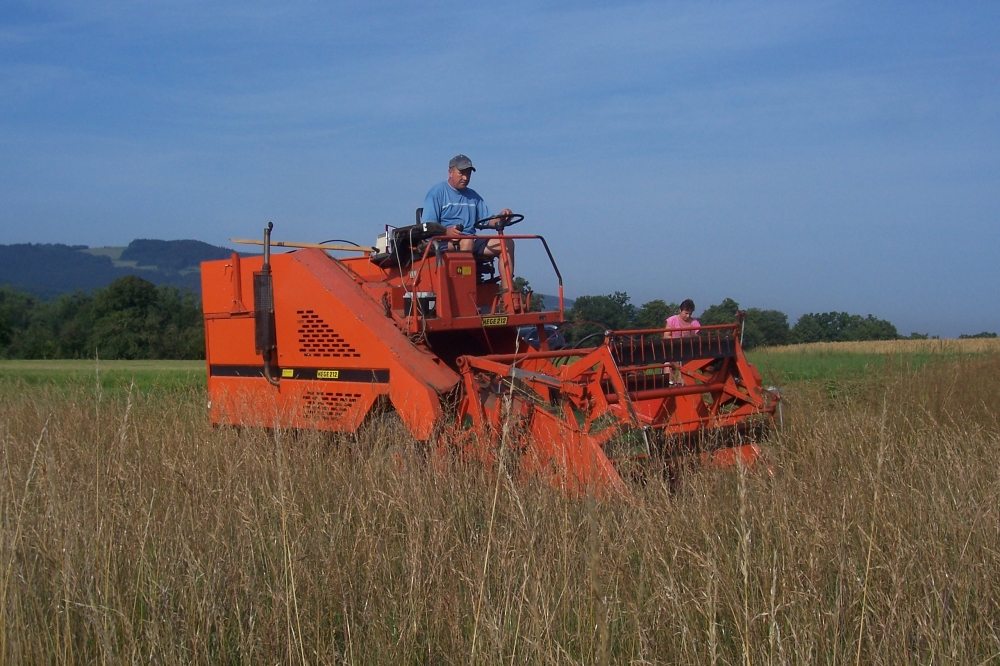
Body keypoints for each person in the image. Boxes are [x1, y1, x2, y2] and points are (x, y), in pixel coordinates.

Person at [421, 155, 515, 286]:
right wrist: (446, 232)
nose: (465, 178)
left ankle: (508, 295)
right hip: (442, 242)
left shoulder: (473, 196)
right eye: (461, 173)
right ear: (450, 172)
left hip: (470, 240)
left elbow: (488, 220)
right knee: (467, 242)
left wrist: (501, 218)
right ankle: (463, 291)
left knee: (506, 243)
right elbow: (427, 227)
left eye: (468, 174)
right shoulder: (437, 193)